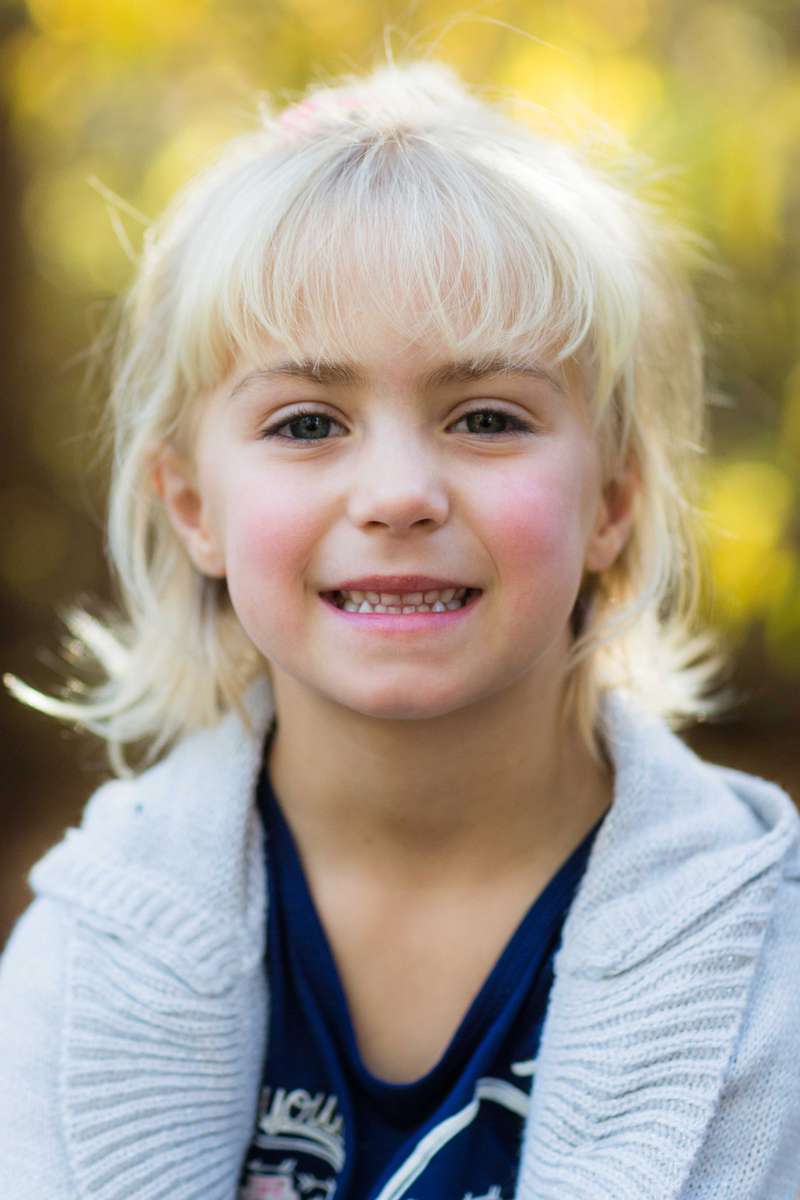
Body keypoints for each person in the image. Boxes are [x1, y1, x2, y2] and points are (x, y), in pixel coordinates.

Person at [1, 55, 799, 1200]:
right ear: (192, 506)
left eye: (484, 416)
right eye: (306, 421)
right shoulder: (81, 964)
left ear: (613, 501)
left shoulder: (763, 975)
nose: (397, 492)